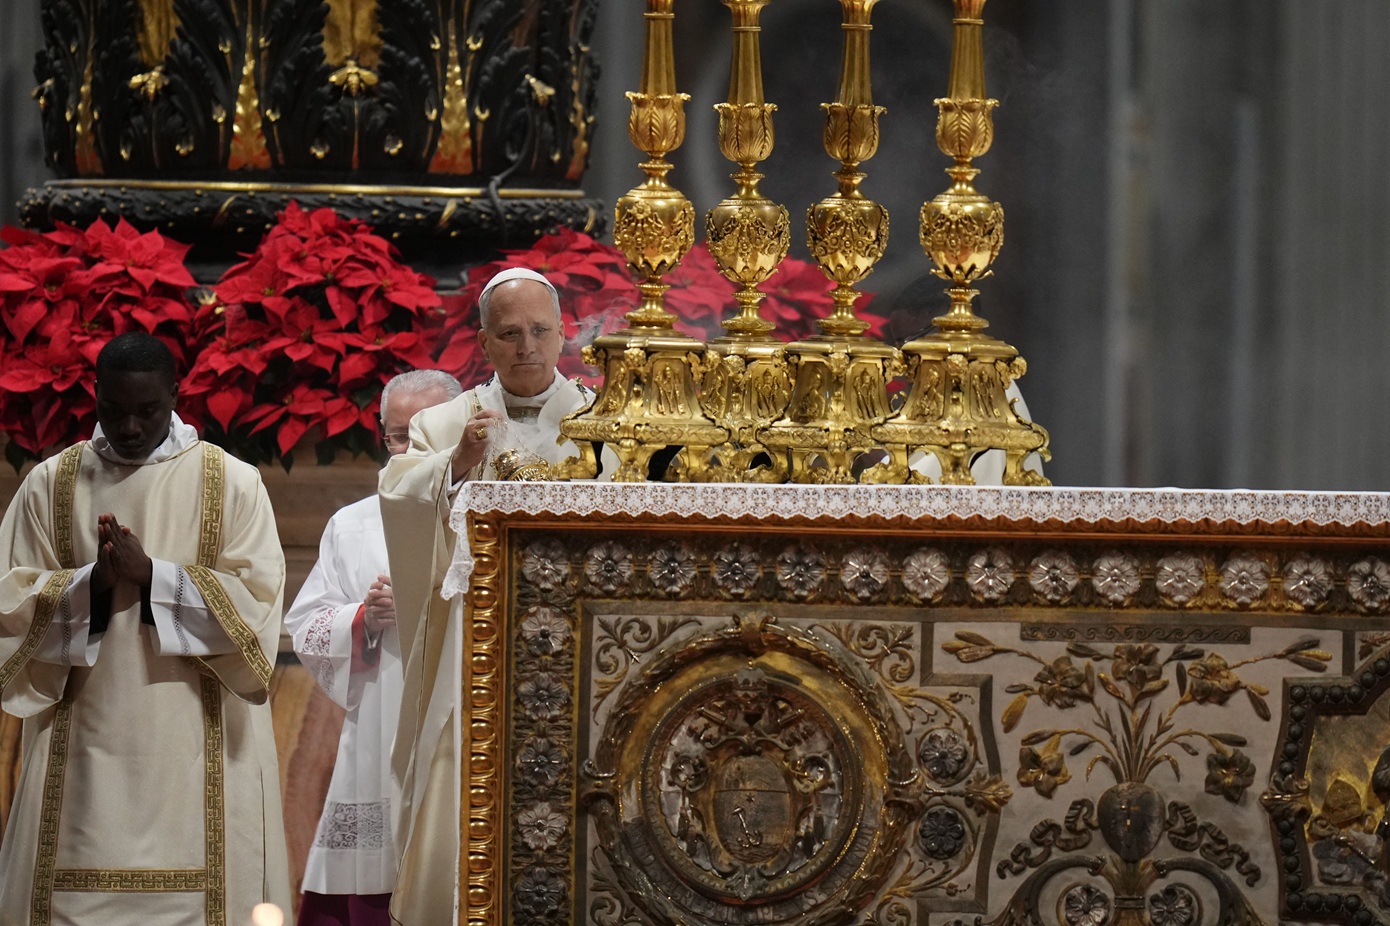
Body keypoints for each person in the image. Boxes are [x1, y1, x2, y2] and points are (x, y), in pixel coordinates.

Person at [0, 332, 291, 924]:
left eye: (148, 410)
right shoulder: (49, 485)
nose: (129, 426)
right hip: (82, 746)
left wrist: (155, 576)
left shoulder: (231, 483)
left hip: (198, 736)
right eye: (114, 410)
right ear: (96, 396)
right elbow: (11, 606)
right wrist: (94, 585)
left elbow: (259, 613)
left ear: (175, 396)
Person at [377, 267, 612, 925]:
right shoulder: (446, 422)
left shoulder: (605, 420)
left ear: (564, 332)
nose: (527, 347)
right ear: (484, 343)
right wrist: (454, 464)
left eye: (540, 331)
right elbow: (396, 495)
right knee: (466, 759)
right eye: (509, 334)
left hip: (585, 633)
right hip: (479, 632)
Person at [284, 369, 461, 926]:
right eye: (397, 435)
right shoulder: (353, 524)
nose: (408, 449)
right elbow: (307, 624)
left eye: (425, 433)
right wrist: (363, 618)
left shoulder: (491, 517)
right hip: (383, 718)